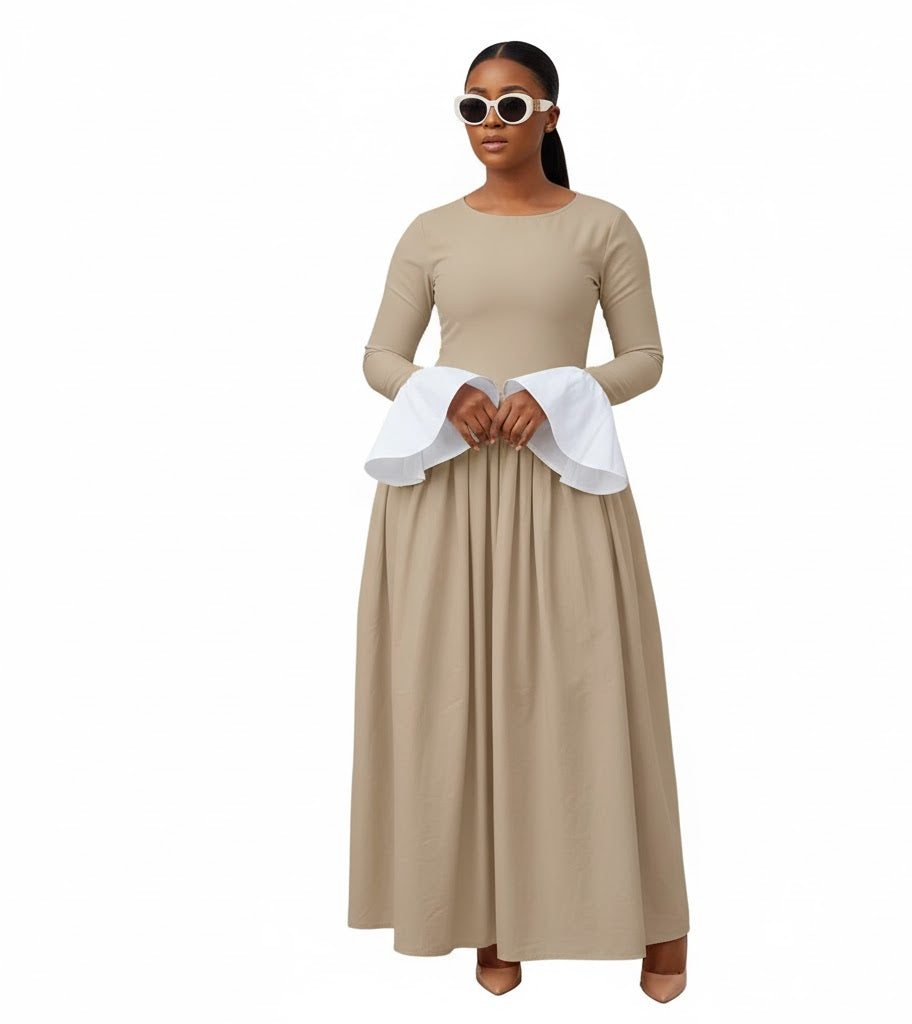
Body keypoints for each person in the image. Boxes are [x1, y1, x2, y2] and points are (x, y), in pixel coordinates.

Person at [348, 40, 691, 1004]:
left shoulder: (602, 226)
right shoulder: (429, 231)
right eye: (474, 105)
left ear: (550, 115)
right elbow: (379, 357)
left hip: (563, 482)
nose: (490, 122)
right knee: (455, 700)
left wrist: (561, 390)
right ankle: (492, 919)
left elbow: (646, 357)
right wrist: (442, 392)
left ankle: (659, 922)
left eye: (510, 104)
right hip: (446, 490)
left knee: (592, 694)